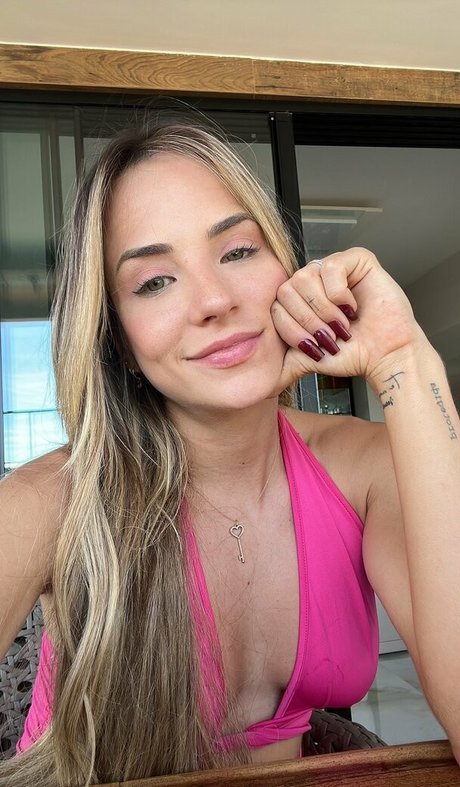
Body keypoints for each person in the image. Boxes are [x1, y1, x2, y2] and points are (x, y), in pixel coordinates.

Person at [0, 120, 459, 787]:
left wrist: (405, 360)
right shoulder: (45, 502)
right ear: (118, 339)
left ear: (287, 268)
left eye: (238, 250)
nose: (215, 300)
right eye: (154, 282)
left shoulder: (363, 467)